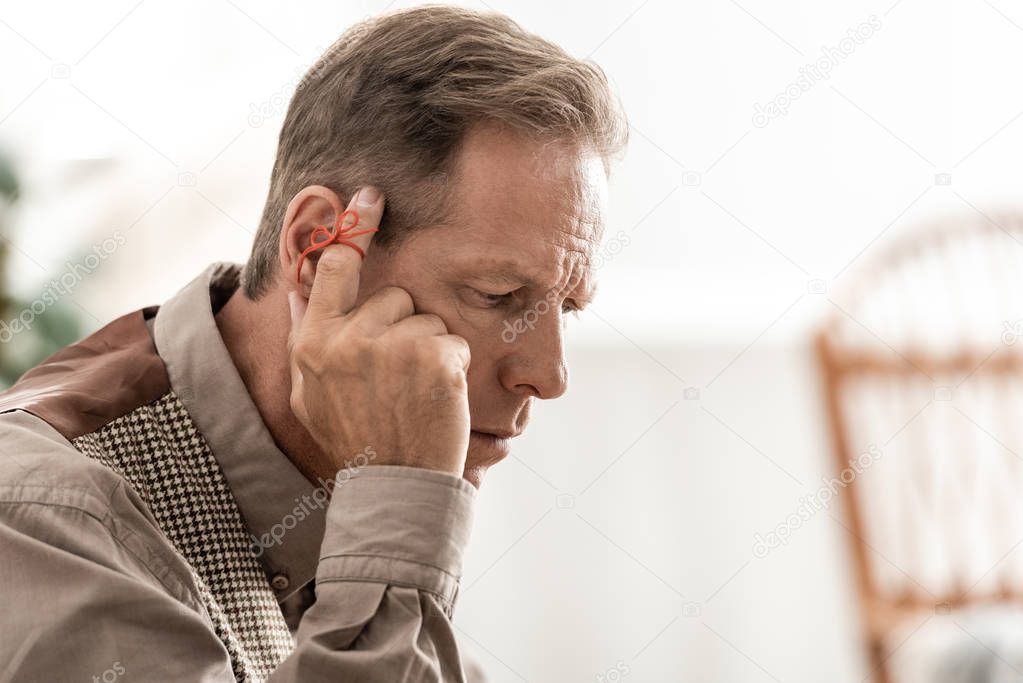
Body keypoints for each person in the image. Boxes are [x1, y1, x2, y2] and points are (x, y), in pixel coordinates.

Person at [0, 5, 627, 681]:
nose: (548, 373)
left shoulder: (343, 501)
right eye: (496, 295)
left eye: (566, 306)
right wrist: (399, 506)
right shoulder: (42, 520)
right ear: (318, 246)